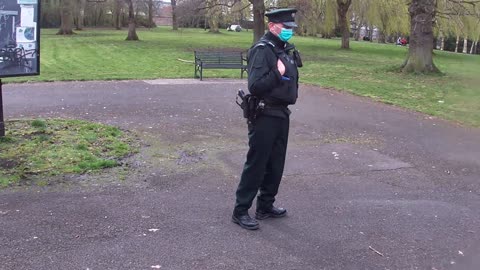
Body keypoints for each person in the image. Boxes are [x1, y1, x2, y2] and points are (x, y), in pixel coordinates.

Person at [232, 8, 301, 230]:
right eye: (286, 28)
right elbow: (255, 85)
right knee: (257, 163)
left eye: (291, 28)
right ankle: (240, 210)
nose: (290, 31)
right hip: (264, 114)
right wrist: (277, 74)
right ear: (272, 27)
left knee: (276, 163)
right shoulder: (263, 50)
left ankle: (265, 205)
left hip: (281, 113)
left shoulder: (283, 49)